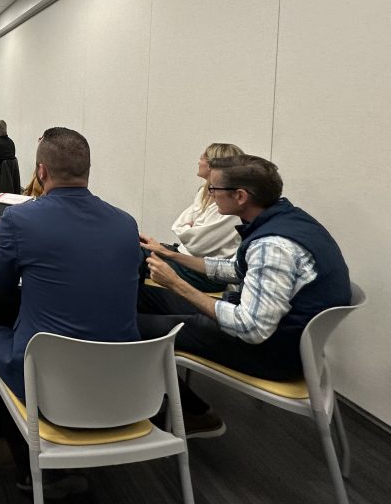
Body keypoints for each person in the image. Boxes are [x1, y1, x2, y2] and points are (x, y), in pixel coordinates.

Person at [139, 154, 352, 436]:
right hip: (281, 336)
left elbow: (251, 328)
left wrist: (176, 284)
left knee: (131, 327)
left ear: (240, 196)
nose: (210, 195)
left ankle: (196, 414)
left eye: (213, 189)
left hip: (269, 352)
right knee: (141, 296)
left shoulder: (272, 245)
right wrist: (172, 256)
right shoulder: (289, 219)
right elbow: (236, 269)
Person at [0, 128, 142, 487]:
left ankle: (26, 463)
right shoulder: (126, 223)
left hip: (46, 382)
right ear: (88, 170)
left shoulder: (20, 219)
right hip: (128, 383)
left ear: (41, 172)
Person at [139, 143, 245, 292]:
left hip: (203, 273)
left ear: (213, 166)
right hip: (184, 258)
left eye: (203, 157)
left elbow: (196, 243)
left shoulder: (231, 204)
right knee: (134, 242)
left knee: (133, 253)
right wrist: (191, 228)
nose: (199, 160)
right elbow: (179, 226)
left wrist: (191, 227)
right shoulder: (204, 191)